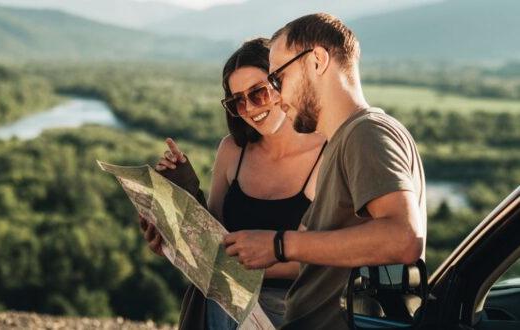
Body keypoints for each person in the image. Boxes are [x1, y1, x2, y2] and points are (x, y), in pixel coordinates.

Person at [222, 13, 427, 329]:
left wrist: (279, 245)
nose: (276, 95)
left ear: (317, 60)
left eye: (278, 79)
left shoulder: (366, 133)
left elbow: (404, 238)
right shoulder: (344, 141)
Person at [139, 38, 326, 329]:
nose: (250, 108)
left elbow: (327, 260)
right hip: (225, 299)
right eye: (238, 100)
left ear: (282, 83)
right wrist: (176, 212)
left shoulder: (327, 154)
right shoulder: (232, 150)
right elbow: (215, 237)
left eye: (258, 93)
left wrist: (241, 270)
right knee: (216, 300)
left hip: (292, 306)